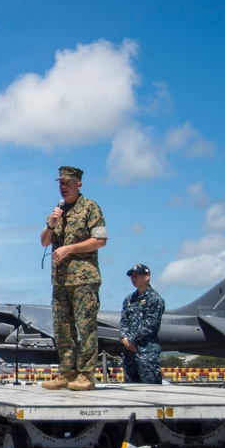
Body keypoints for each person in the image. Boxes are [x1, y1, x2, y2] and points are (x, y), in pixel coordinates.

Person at [40, 165, 107, 391]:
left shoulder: (90, 207)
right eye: (60, 183)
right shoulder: (58, 211)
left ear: (79, 184)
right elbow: (44, 241)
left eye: (68, 183)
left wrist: (69, 249)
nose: (63, 187)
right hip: (60, 281)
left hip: (84, 279)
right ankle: (67, 373)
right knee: (62, 328)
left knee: (85, 327)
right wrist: (51, 224)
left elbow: (100, 240)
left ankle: (86, 375)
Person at [120, 264, 165, 384]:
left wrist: (130, 339)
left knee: (151, 390)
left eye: (137, 276)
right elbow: (124, 321)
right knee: (130, 389)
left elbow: (150, 324)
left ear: (147, 276)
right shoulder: (129, 299)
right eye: (132, 277)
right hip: (129, 352)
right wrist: (125, 339)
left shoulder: (154, 299)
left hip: (146, 352)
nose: (133, 279)